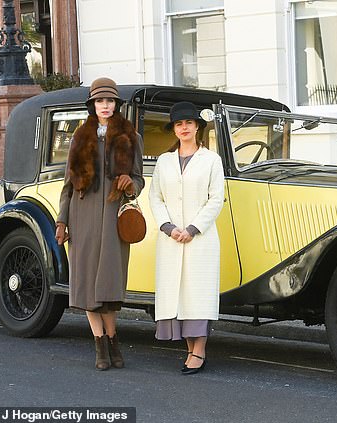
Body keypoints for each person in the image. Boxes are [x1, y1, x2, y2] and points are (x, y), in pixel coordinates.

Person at [55, 77, 144, 371]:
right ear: (92, 105)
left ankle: (113, 337)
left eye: (109, 101)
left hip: (114, 219)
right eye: (99, 101)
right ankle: (100, 345)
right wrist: (62, 220)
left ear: (116, 105)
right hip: (82, 218)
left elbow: (139, 179)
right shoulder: (80, 136)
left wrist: (131, 184)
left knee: (108, 285)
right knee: (88, 286)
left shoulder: (131, 136)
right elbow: (68, 185)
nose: (104, 106)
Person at [149, 101, 225, 375]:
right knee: (178, 295)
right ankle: (189, 348)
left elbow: (216, 199)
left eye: (189, 123)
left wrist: (192, 229)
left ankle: (199, 351)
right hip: (171, 240)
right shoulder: (164, 161)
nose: (184, 128)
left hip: (199, 240)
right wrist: (168, 227)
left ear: (197, 128)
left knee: (197, 294)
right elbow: (155, 197)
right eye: (179, 124)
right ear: (174, 129)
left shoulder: (211, 160)